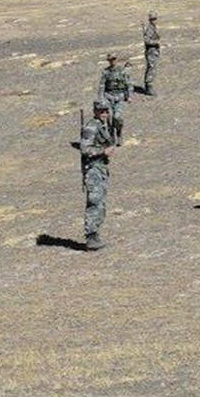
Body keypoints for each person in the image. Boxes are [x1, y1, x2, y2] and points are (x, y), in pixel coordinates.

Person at [81, 99, 116, 250]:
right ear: (95, 111)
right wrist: (103, 151)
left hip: (101, 168)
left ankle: (95, 234)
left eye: (106, 111)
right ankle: (90, 237)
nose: (104, 114)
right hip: (93, 169)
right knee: (94, 202)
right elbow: (85, 149)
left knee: (101, 204)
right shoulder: (91, 127)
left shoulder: (103, 126)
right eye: (101, 111)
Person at [98, 53, 133, 146]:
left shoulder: (123, 71)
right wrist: (101, 98)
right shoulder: (106, 72)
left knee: (117, 117)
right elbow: (102, 86)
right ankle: (111, 136)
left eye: (114, 59)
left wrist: (129, 96)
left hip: (119, 97)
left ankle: (119, 132)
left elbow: (129, 84)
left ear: (116, 59)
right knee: (108, 118)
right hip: (108, 96)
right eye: (110, 60)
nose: (112, 61)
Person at [143, 11, 161, 96]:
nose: (155, 21)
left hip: (154, 51)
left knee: (153, 68)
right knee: (151, 68)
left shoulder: (154, 28)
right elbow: (146, 40)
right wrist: (155, 42)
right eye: (153, 19)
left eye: (155, 19)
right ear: (150, 20)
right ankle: (148, 87)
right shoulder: (149, 29)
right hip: (151, 51)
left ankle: (149, 85)